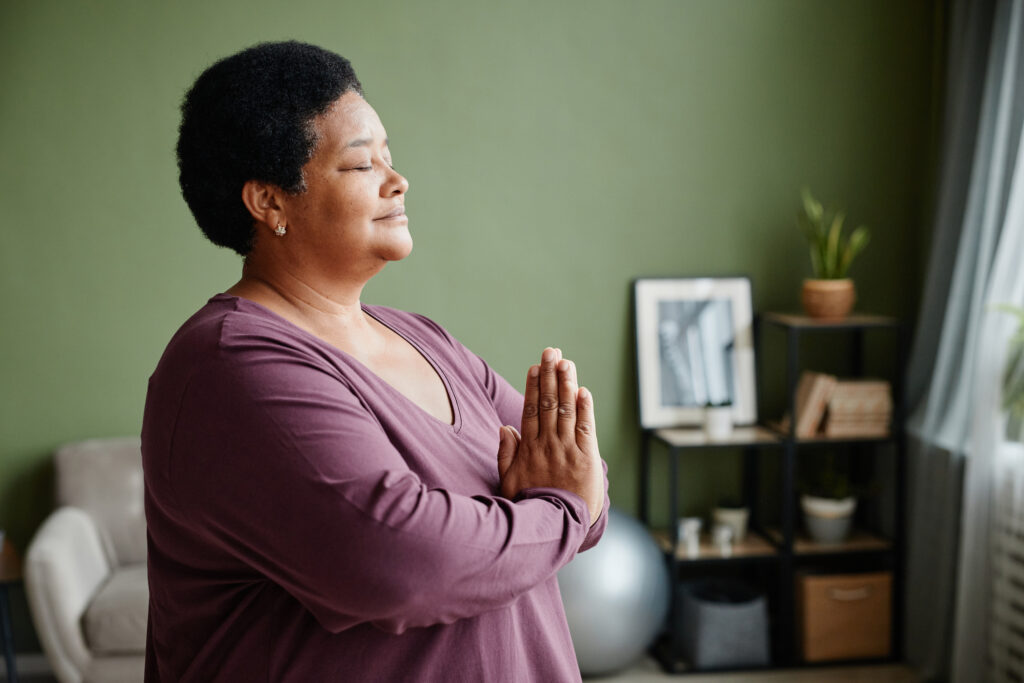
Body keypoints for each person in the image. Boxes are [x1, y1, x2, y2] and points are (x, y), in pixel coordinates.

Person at [142, 41, 609, 682]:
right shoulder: (230, 366)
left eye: (390, 158)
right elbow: (399, 564)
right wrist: (558, 511)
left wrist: (566, 503)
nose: (398, 180)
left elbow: (583, 481)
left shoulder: (427, 340)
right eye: (362, 165)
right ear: (269, 202)